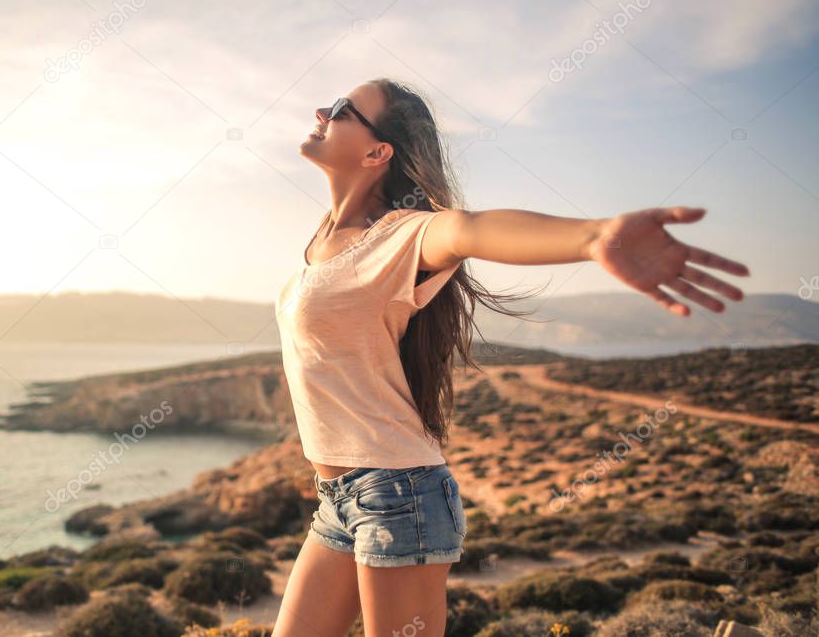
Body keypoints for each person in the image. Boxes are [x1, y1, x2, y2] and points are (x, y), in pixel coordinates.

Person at [271, 78, 750, 636]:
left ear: (379, 151)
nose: (322, 110)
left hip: (396, 494)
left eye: (343, 110)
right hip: (338, 498)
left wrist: (594, 237)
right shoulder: (325, 237)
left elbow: (470, 229)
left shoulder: (406, 233)